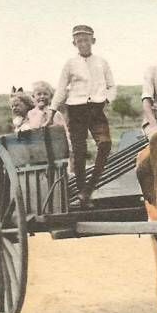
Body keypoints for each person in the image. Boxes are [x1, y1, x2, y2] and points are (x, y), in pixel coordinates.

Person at [52, 25, 117, 208]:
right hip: (76, 110)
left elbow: (112, 86)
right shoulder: (70, 64)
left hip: (96, 109)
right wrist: (52, 110)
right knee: (79, 152)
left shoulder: (102, 62)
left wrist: (107, 101)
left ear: (93, 41)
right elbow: (61, 89)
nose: (83, 43)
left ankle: (89, 188)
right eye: (79, 40)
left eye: (86, 40)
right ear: (74, 43)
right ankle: (82, 192)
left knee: (105, 145)